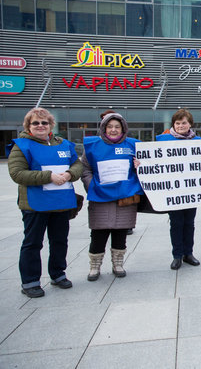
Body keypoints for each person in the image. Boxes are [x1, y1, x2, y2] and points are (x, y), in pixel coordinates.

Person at [8, 108, 83, 298]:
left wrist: (69, 174)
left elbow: (77, 164)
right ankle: (30, 281)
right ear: (28, 126)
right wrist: (48, 176)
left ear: (51, 125)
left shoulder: (64, 144)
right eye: (35, 123)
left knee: (59, 241)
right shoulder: (22, 145)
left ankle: (58, 274)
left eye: (44, 123)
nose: (40, 126)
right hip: (35, 204)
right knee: (33, 243)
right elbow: (17, 173)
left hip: (60, 202)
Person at [81, 111, 143, 281]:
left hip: (125, 197)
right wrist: (91, 186)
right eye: (110, 127)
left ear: (123, 128)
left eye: (117, 126)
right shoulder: (92, 146)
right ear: (104, 128)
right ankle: (95, 266)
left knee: (120, 232)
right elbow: (85, 169)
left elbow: (147, 168)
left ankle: (118, 263)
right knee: (99, 233)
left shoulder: (133, 145)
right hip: (100, 196)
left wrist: (141, 166)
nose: (114, 130)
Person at [157, 109, 201, 270]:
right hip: (173, 191)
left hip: (191, 190)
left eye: (184, 122)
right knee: (176, 223)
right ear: (173, 125)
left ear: (190, 124)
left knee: (189, 223)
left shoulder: (199, 141)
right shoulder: (163, 140)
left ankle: (188, 253)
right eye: (178, 123)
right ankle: (177, 255)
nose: (181, 126)